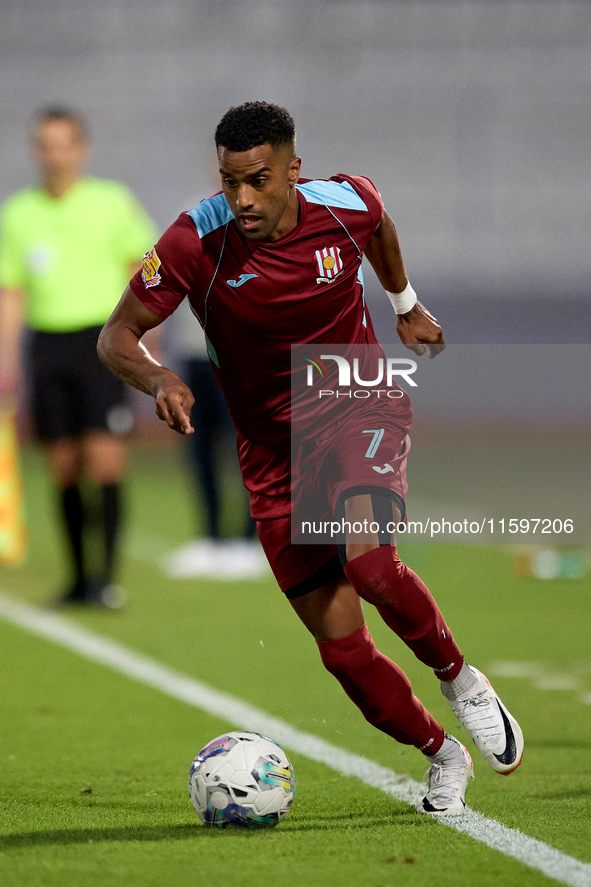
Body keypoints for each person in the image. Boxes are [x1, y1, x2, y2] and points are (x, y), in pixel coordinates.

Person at [98, 101, 524, 814]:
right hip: (269, 452)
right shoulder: (191, 242)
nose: (242, 199)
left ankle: (460, 680)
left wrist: (403, 301)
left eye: (258, 180)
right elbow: (117, 334)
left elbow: (379, 221)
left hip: (358, 403)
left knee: (369, 562)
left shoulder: (344, 203)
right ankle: (440, 754)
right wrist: (157, 376)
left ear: (293, 170)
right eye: (231, 182)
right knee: (341, 648)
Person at [0, 107, 158, 607]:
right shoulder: (18, 214)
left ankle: (106, 578)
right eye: (45, 143)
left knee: (105, 459)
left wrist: (144, 340)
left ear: (80, 149)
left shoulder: (112, 203)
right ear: (36, 151)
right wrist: (7, 360)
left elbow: (142, 265)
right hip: (47, 345)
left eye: (63, 143)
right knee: (64, 464)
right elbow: (12, 292)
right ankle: (77, 577)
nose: (54, 153)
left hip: (102, 341)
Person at [162, 301, 267, 580]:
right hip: (193, 350)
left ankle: (249, 538)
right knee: (198, 443)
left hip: (242, 350)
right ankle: (211, 536)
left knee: (245, 446)